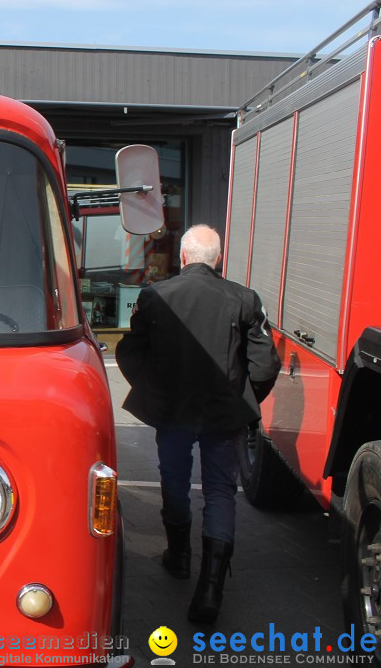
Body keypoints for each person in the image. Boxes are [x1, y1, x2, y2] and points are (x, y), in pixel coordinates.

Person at [116, 224, 280, 624]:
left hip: (172, 412)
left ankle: (179, 557)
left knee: (173, 479)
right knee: (221, 491)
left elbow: (130, 353)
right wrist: (244, 397)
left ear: (184, 258)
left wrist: (153, 389)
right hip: (223, 415)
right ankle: (210, 589)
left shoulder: (155, 296)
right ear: (217, 260)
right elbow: (265, 364)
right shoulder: (244, 299)